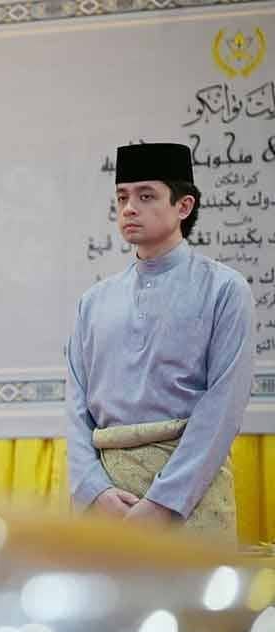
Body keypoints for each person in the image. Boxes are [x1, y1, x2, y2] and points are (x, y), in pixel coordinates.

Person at [67, 143, 254, 542]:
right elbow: (75, 408)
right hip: (107, 503)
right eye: (122, 197)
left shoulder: (224, 289)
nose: (129, 208)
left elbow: (222, 409)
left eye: (146, 195)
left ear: (183, 206)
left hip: (189, 501)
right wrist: (94, 490)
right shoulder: (93, 302)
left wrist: (164, 503)